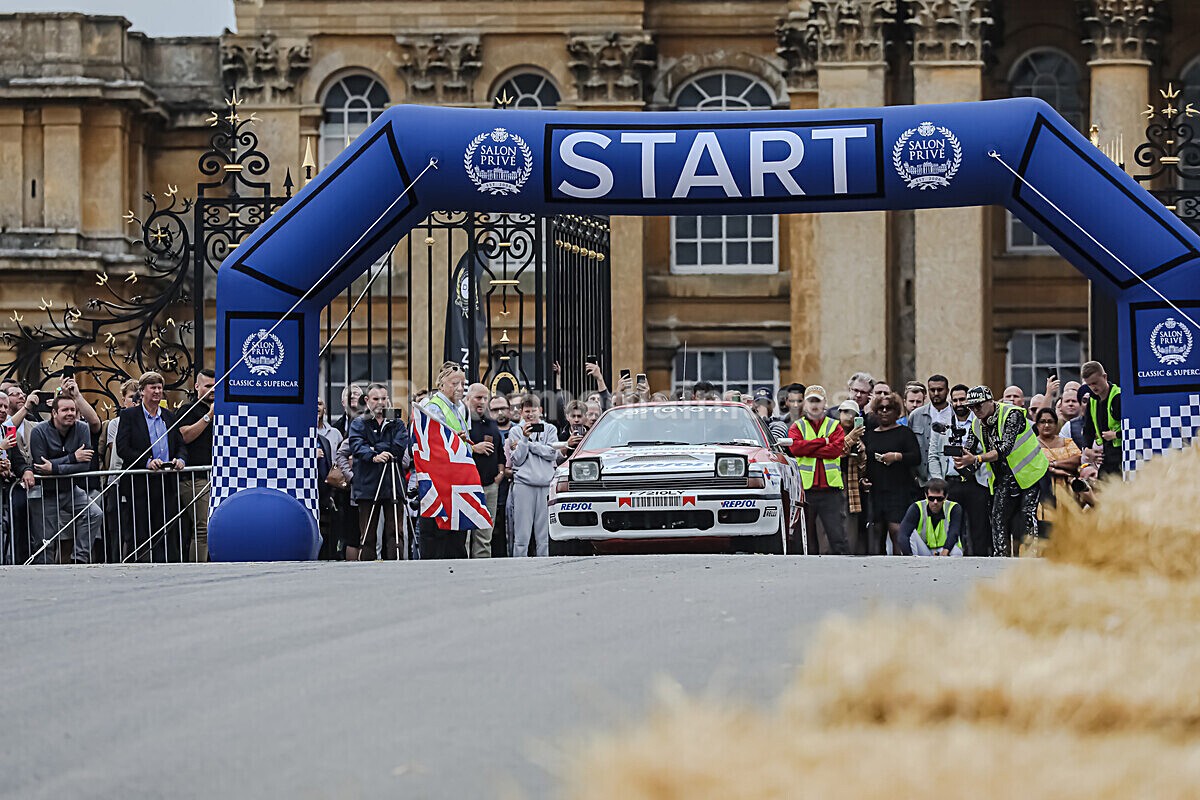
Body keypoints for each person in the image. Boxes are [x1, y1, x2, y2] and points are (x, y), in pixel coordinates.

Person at [955, 385, 1049, 557]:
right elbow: (970, 449)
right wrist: (962, 462)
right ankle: (1001, 559)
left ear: (991, 401)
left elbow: (1005, 449)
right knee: (997, 517)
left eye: (979, 405)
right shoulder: (977, 423)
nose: (975, 410)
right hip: (1004, 476)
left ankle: (1033, 558)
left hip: (1031, 472)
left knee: (1028, 514)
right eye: (971, 407)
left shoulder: (1011, 414)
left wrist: (976, 459)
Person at [115, 372, 187, 562]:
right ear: (142, 391)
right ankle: (136, 567)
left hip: (166, 483)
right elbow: (123, 448)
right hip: (140, 484)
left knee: (166, 531)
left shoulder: (169, 416)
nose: (157, 391)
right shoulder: (129, 415)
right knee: (140, 531)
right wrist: (146, 461)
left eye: (159, 388)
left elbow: (180, 445)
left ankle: (167, 566)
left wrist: (180, 459)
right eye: (152, 387)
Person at [23, 393, 104, 564]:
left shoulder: (82, 428)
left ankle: (79, 559)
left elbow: (85, 466)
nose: (70, 413)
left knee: (94, 514)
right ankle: (43, 572)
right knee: (45, 541)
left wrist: (55, 467)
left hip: (70, 489)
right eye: (65, 410)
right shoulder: (39, 431)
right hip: (46, 492)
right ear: (54, 413)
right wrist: (73, 457)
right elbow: (40, 466)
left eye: (73, 410)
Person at [347, 383, 410, 561]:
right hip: (368, 484)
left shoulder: (396, 422)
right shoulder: (359, 422)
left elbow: (399, 446)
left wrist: (375, 448)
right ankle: (366, 569)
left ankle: (396, 566)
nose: (381, 403)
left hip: (393, 483)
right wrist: (374, 454)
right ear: (367, 401)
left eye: (384, 398)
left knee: (395, 531)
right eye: (376, 399)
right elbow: (357, 446)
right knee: (368, 533)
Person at [927, 384, 991, 557]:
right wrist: (938, 481)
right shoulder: (942, 425)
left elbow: (989, 452)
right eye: (955, 400)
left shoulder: (981, 423)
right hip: (950, 483)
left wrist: (974, 461)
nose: (958, 403)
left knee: (979, 529)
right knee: (952, 527)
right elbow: (933, 455)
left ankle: (980, 561)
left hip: (976, 482)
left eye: (962, 399)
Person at [786, 385, 850, 555]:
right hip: (806, 491)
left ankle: (844, 572)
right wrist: (823, 441)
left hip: (831, 490)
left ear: (825, 404)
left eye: (818, 401)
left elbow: (835, 450)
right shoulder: (796, 427)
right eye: (811, 401)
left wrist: (810, 448)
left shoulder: (834, 426)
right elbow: (796, 449)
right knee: (804, 538)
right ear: (805, 405)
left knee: (837, 536)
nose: (814, 405)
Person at [419, 363, 472, 559]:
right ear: (441, 385)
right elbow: (431, 442)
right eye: (454, 383)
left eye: (463, 384)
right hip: (441, 479)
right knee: (439, 533)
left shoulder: (458, 408)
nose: (460, 388)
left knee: (455, 534)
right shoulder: (432, 406)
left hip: (455, 478)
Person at [862, 391, 921, 556]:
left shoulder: (904, 433)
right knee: (877, 530)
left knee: (896, 530)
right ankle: (877, 567)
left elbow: (916, 457)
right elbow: (866, 461)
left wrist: (896, 456)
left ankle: (898, 564)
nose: (884, 411)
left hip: (899, 488)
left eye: (888, 408)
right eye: (880, 408)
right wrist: (864, 479)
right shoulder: (871, 434)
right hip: (877, 489)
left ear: (896, 411)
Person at [508, 394, 559, 557]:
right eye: (527, 411)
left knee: (543, 536)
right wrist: (524, 438)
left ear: (540, 411)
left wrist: (530, 445)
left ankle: (544, 567)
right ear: (521, 412)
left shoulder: (550, 429)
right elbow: (518, 459)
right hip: (524, 485)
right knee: (521, 535)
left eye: (533, 410)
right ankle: (517, 566)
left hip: (545, 483)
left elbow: (552, 453)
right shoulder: (515, 431)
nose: (530, 414)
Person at [177, 369, 215, 562]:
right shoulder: (188, 410)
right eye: (208, 386)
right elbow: (185, 436)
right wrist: (209, 416)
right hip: (195, 478)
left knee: (213, 527)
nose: (213, 390)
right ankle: (197, 568)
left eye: (216, 386)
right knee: (202, 528)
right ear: (197, 387)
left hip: (217, 478)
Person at [466, 382, 502, 559]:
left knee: (485, 534)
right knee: (465, 534)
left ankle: (483, 568)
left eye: (485, 398)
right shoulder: (462, 420)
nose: (481, 402)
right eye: (478, 398)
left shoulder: (490, 423)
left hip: (489, 485)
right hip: (467, 485)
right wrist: (474, 448)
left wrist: (500, 475)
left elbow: (500, 451)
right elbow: (452, 445)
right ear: (468, 398)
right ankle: (462, 568)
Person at [835, 399, 868, 555]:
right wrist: (851, 438)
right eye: (844, 412)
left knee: (851, 522)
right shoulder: (831, 430)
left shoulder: (859, 436)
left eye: (851, 413)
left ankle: (849, 554)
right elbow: (835, 452)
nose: (847, 416)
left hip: (851, 482)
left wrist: (862, 452)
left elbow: (863, 468)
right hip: (832, 481)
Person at [906, 374, 949, 487]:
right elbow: (909, 446)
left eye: (940, 390)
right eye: (932, 390)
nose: (936, 393)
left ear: (947, 391)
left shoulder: (955, 415)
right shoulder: (916, 415)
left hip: (950, 477)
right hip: (923, 479)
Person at [902, 479, 964, 557]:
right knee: (910, 532)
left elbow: (954, 532)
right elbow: (903, 534)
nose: (935, 502)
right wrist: (909, 555)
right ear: (926, 496)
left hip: (944, 549)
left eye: (939, 499)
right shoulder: (917, 507)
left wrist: (946, 550)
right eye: (931, 498)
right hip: (924, 549)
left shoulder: (954, 508)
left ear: (946, 497)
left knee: (957, 552)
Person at [1035, 406, 1082, 509]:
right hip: (1042, 491)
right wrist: (1055, 471)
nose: (1046, 425)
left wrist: (1053, 464)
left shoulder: (1066, 442)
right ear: (1037, 425)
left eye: (1050, 422)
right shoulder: (1032, 445)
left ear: (1056, 424)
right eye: (1042, 422)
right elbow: (1033, 465)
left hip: (1068, 491)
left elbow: (1077, 459)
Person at [1081, 360, 1121, 477]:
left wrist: (1116, 435)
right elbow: (1088, 428)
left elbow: (1134, 426)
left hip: (1122, 452)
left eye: (1095, 383)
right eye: (1089, 385)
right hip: (1106, 454)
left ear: (1104, 377)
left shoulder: (1118, 397)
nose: (1093, 387)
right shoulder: (1092, 400)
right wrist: (1087, 449)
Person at [490, 393, 516, 558]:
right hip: (495, 486)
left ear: (510, 410)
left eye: (503, 408)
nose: (499, 413)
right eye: (495, 409)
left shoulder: (519, 430)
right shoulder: (488, 430)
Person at [1058, 382, 1087, 450]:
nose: (1070, 404)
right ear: (1060, 405)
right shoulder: (1054, 423)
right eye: (1067, 401)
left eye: (1074, 401)